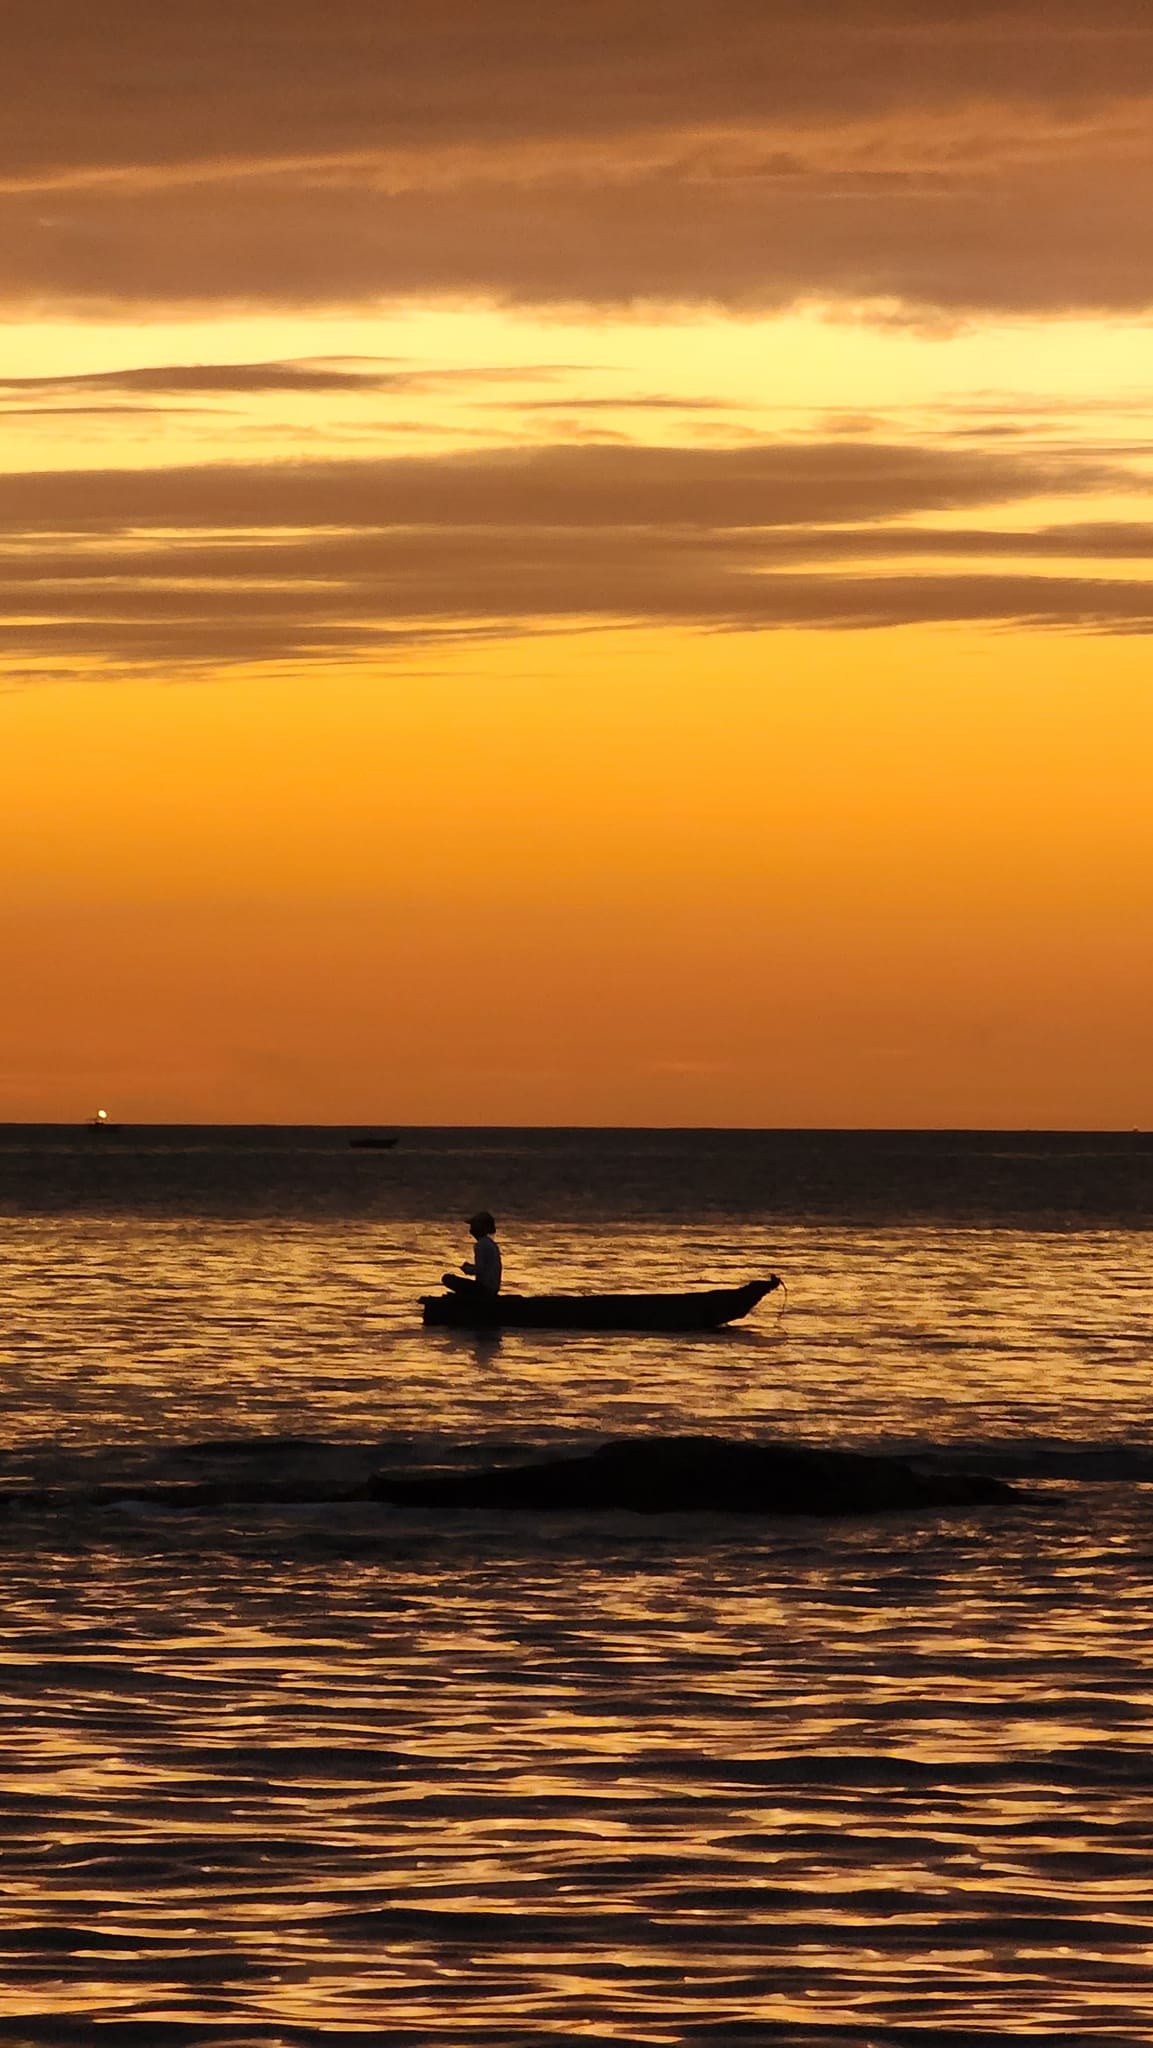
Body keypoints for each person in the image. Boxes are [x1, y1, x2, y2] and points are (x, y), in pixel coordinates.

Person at [442, 1211, 502, 1296]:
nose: (471, 1230)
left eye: (473, 1226)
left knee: (447, 1278)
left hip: (484, 1289)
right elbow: (485, 1268)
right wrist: (471, 1267)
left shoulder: (481, 1245)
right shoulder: (491, 1244)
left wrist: (467, 1269)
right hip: (493, 1288)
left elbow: (480, 1269)